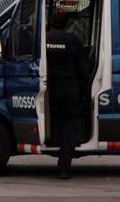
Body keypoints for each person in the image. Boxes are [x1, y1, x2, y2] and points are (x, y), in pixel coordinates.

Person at [45, 9, 89, 180]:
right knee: (68, 127)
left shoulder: (44, 40)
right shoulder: (74, 41)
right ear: (67, 24)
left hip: (49, 90)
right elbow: (83, 71)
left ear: (51, 22)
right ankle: (64, 167)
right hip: (69, 90)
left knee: (50, 121)